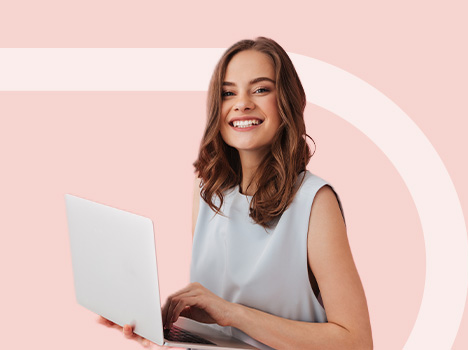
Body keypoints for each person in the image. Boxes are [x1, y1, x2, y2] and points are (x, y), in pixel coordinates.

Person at [99, 37, 373, 350]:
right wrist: (159, 324)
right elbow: (220, 333)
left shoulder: (315, 202)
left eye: (260, 89)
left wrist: (232, 314)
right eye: (228, 92)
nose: (241, 103)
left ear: (286, 102)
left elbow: (357, 342)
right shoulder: (207, 191)